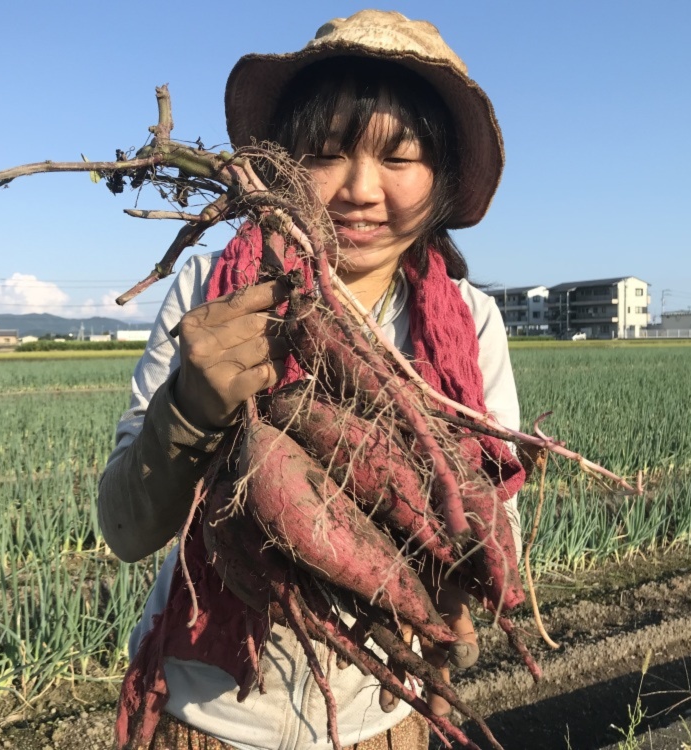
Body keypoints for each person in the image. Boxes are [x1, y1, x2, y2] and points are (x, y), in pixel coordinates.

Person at [98, 10, 525, 749]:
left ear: (443, 178)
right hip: (208, 710)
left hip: (384, 717)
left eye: (399, 159)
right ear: (281, 164)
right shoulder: (211, 291)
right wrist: (192, 411)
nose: (359, 190)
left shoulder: (470, 320)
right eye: (327, 154)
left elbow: (489, 514)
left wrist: (457, 580)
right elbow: (126, 529)